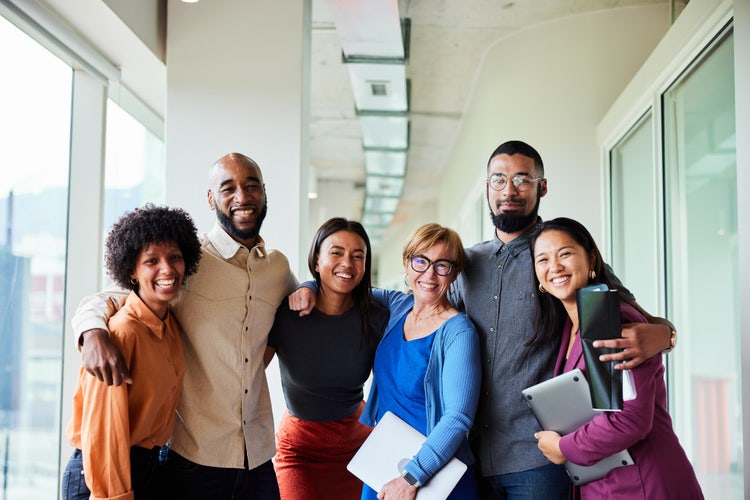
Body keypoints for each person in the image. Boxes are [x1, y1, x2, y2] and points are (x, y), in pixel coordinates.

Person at [447, 140, 677, 499]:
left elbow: (631, 318)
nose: (509, 190)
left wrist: (665, 336)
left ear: (542, 186)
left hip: (540, 457)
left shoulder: (567, 261)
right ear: (486, 187)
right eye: (498, 179)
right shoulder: (467, 265)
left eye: (522, 179)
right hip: (476, 455)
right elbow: (427, 314)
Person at [71, 153, 298, 499]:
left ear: (264, 193)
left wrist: (310, 292)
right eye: (228, 188)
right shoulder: (184, 263)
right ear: (211, 199)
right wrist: (91, 332)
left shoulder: (277, 269)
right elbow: (113, 297)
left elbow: (301, 308)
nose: (242, 196)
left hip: (259, 455)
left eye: (251, 186)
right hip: (194, 456)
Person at [529, 217, 703, 499]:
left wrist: (563, 448)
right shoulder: (569, 327)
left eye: (566, 254)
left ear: (592, 260)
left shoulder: (608, 318)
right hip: (607, 484)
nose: (555, 267)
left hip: (644, 482)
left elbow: (629, 419)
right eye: (543, 260)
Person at [62, 204, 202, 500]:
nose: (167, 269)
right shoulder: (122, 333)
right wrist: (114, 495)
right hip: (103, 476)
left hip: (148, 468)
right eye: (152, 260)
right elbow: (104, 434)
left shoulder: (171, 325)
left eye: (174, 258)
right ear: (132, 272)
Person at [264, 217, 388, 499]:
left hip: (357, 447)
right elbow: (251, 372)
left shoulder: (377, 317)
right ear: (316, 260)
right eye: (336, 253)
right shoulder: (287, 313)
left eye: (358, 256)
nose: (347, 263)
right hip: (299, 450)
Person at [361, 223, 481, 499]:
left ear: (454, 273)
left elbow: (458, 417)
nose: (430, 273)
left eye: (442, 265)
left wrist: (412, 476)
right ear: (406, 263)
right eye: (421, 261)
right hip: (385, 462)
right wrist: (308, 286)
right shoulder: (398, 305)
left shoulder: (459, 332)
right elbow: (345, 286)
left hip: (431, 474)